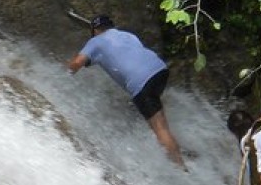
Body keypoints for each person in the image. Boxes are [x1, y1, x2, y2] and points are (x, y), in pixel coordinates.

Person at [67, 14, 184, 166]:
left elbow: (77, 62)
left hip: (141, 83)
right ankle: (176, 149)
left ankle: (180, 167)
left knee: (160, 128)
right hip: (160, 70)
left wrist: (67, 72)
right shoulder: (127, 35)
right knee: (157, 111)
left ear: (95, 30)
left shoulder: (95, 41)